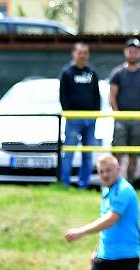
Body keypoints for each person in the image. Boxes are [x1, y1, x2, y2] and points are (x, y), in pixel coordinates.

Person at [108, 37, 140, 186]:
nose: (132, 54)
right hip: (121, 119)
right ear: (125, 52)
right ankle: (114, 183)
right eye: (130, 51)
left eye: (135, 51)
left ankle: (130, 184)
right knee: (118, 154)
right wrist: (118, 115)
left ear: (139, 53)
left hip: (137, 120)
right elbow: (112, 96)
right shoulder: (117, 73)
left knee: (134, 155)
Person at [59, 41, 100, 189]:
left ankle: (84, 184)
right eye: (79, 52)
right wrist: (69, 114)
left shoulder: (92, 72)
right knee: (69, 152)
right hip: (73, 119)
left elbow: (97, 95)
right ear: (74, 53)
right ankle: (64, 183)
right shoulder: (67, 72)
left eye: (85, 53)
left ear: (88, 55)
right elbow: (63, 95)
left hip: (90, 119)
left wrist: (96, 114)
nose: (82, 55)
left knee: (88, 154)